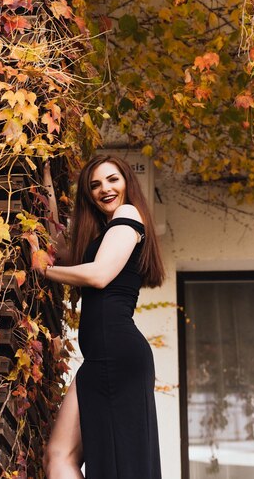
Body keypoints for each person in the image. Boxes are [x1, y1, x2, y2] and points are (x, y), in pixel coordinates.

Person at [40, 155, 165, 479]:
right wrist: (48, 184)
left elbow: (98, 275)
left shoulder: (128, 214)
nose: (104, 189)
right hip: (102, 356)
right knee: (58, 457)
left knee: (109, 463)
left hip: (117, 354)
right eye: (95, 185)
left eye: (112, 180)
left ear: (127, 182)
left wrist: (44, 271)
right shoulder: (103, 235)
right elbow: (61, 249)